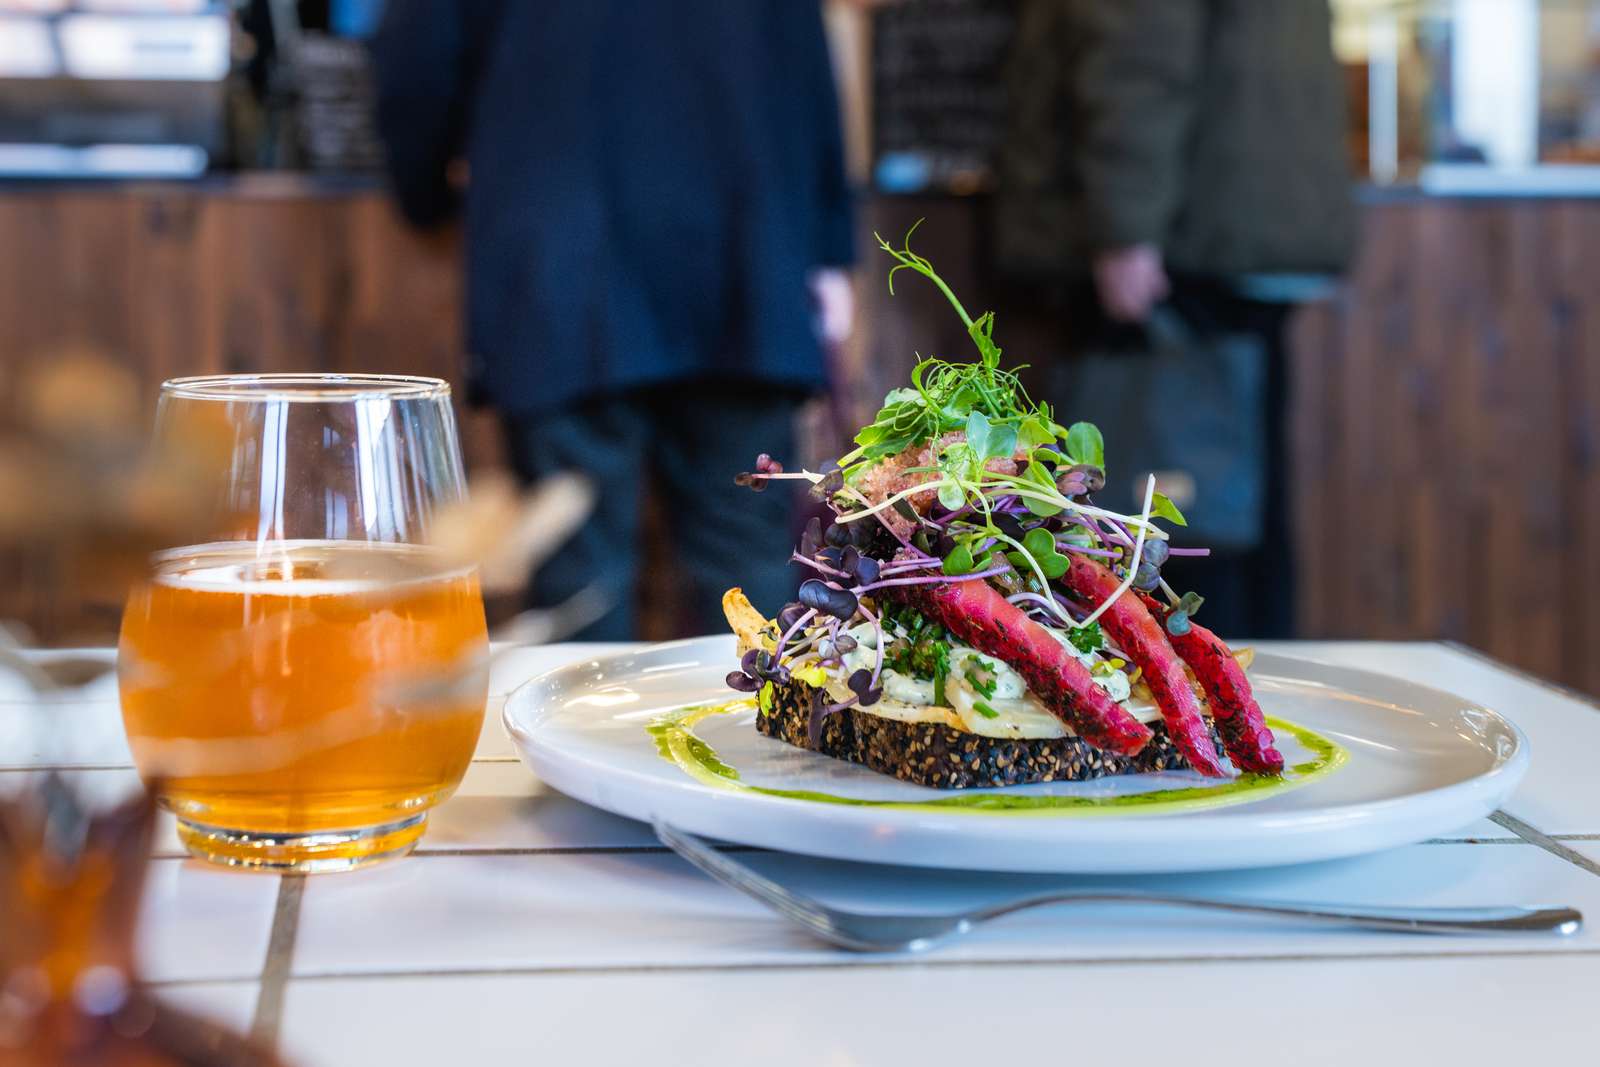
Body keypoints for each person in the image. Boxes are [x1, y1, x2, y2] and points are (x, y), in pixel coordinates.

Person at [370, 1, 856, 639]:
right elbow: (805, 58)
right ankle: (763, 735)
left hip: (565, 265)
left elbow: (417, 59)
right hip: (744, 260)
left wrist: (424, 192)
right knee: (747, 573)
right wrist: (827, 247)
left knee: (580, 588)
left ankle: (583, 741)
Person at [996, 0, 1356, 639]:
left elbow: (1138, 53)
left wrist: (1125, 230)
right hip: (1228, 222)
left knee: (1165, 533)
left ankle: (1191, 719)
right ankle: (1244, 715)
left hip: (1176, 244)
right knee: (1231, 518)